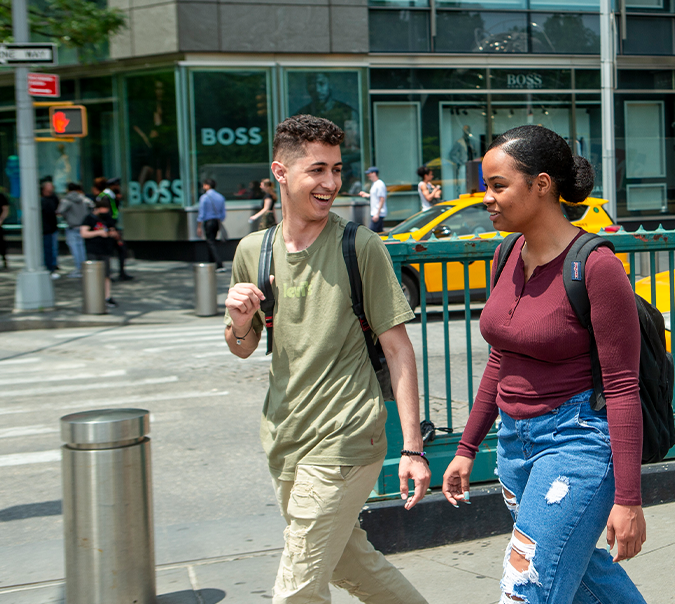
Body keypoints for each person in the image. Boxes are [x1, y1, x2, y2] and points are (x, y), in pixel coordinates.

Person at [223, 115, 429, 604]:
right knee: (349, 563)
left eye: (337, 170)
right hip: (285, 438)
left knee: (296, 590)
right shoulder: (255, 250)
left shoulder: (359, 246)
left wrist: (414, 448)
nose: (331, 183)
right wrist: (238, 319)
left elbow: (399, 348)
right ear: (281, 171)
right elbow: (244, 346)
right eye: (318, 170)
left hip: (347, 435)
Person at [442, 125, 648, 604]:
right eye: (485, 186)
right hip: (515, 447)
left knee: (525, 586)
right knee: (575, 569)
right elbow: (501, 360)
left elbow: (621, 386)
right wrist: (468, 446)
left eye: (498, 185)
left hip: (577, 443)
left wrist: (630, 500)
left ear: (541, 185)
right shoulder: (506, 253)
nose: (486, 198)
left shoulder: (595, 267)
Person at [80, 198, 118, 307]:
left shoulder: (108, 218)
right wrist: (99, 233)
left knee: (106, 274)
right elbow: (84, 233)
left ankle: (107, 296)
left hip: (105, 250)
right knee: (94, 274)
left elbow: (113, 231)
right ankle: (94, 297)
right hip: (93, 249)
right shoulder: (89, 219)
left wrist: (110, 234)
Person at [96, 177, 134, 281]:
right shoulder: (105, 197)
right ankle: (109, 275)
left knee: (119, 249)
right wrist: (112, 229)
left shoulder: (110, 196)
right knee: (112, 250)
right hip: (109, 227)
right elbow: (106, 214)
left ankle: (118, 273)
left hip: (111, 226)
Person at [57, 182, 93, 278]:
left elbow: (60, 211)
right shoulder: (84, 199)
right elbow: (92, 206)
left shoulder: (66, 200)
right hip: (84, 227)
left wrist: (67, 217)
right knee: (82, 248)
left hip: (72, 227)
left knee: (75, 249)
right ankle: (84, 268)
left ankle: (78, 268)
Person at [197, 179, 227, 271]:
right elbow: (223, 214)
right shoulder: (220, 197)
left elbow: (201, 213)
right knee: (212, 241)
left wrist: (199, 226)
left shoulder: (204, 197)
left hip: (208, 221)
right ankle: (211, 263)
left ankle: (219, 264)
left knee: (210, 242)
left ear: (207, 186)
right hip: (217, 221)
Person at [357, 166, 387, 233]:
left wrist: (377, 214)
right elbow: (375, 196)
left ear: (374, 173)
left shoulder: (379, 184)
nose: (368, 175)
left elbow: (382, 199)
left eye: (369, 173)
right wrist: (366, 195)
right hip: (376, 214)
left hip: (378, 214)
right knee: (378, 234)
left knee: (371, 234)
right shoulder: (375, 184)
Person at [40, 180, 60, 278]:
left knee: (52, 249)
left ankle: (52, 266)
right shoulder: (41, 200)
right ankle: (49, 267)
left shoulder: (53, 198)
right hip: (46, 229)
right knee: (47, 249)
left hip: (52, 228)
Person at [0, 187, 9, 269]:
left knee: (1, 244)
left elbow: (5, 209)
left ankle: (4, 260)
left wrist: (1, 219)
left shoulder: (1, 196)